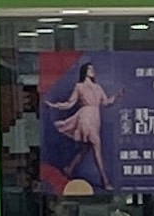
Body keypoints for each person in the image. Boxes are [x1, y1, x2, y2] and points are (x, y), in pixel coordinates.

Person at [46, 62, 123, 191]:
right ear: (84, 72)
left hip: (95, 118)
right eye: (89, 69)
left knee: (86, 148)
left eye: (93, 69)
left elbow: (106, 102)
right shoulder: (79, 87)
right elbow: (70, 103)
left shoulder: (98, 87)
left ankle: (69, 168)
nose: (92, 71)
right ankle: (105, 181)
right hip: (85, 117)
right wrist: (55, 105)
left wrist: (116, 96)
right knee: (96, 146)